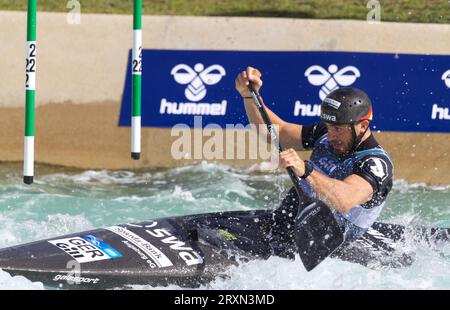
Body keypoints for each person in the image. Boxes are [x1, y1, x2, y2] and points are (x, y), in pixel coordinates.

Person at [235, 67, 394, 258]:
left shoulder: (375, 164)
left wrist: (306, 170)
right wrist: (250, 97)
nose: (331, 135)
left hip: (324, 250)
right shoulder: (327, 134)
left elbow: (344, 200)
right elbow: (276, 133)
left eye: (338, 129)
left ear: (363, 125)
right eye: (328, 127)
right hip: (285, 226)